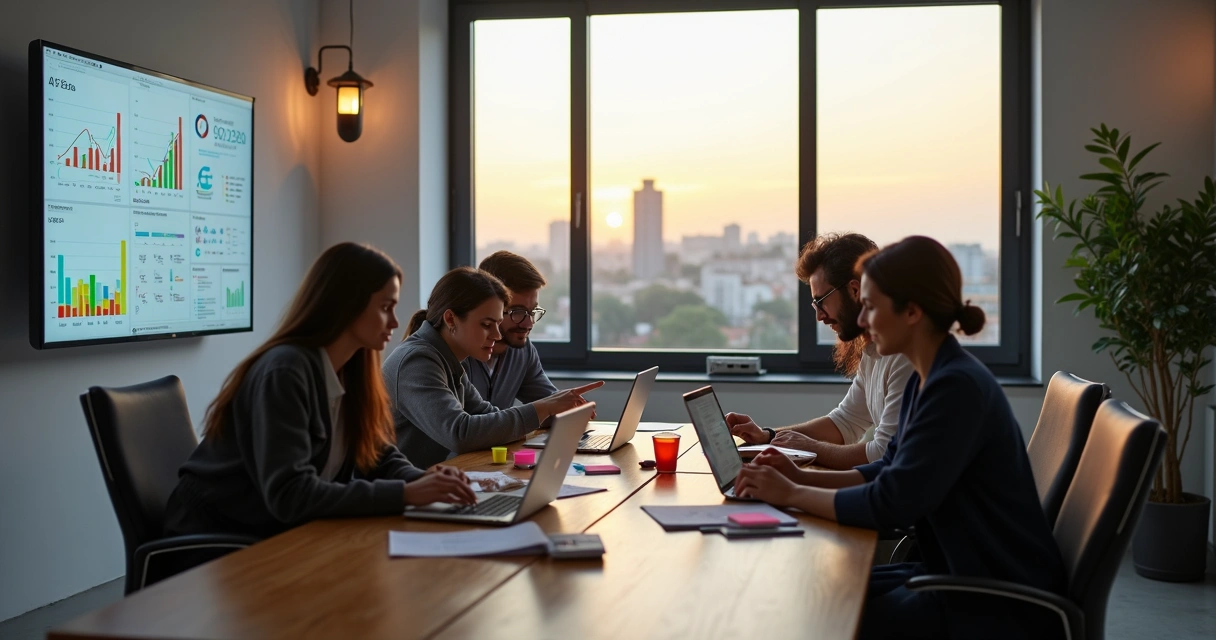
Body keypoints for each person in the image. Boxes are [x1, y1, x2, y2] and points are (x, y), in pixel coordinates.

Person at [734, 236, 1066, 640]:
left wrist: (789, 493)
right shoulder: (930, 377)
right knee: (809, 595)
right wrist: (795, 477)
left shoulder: (953, 388)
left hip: (995, 600)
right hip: (955, 571)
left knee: (816, 613)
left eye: (872, 307)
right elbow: (887, 469)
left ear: (911, 312)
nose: (864, 320)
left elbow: (889, 503)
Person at [164, 243, 477, 542]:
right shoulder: (285, 371)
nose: (396, 321)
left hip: (283, 533)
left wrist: (420, 480)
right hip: (219, 538)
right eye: (385, 307)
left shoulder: (353, 367)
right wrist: (405, 494)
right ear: (345, 305)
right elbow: (291, 495)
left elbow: (377, 455)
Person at [727, 233, 914, 469]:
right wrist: (768, 437)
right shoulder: (873, 351)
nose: (819, 316)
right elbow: (845, 422)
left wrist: (808, 454)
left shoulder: (904, 358)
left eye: (821, 301)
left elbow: (882, 456)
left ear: (855, 291)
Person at [384, 266, 602, 468]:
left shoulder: (448, 359)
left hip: (430, 486)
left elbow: (487, 414)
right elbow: (460, 433)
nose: (497, 335)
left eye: (498, 324)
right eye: (486, 325)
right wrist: (543, 408)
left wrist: (553, 409)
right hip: (390, 498)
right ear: (450, 319)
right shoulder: (417, 360)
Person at [464, 251, 559, 410]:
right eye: (518, 312)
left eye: (533, 311)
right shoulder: (456, 353)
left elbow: (551, 402)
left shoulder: (522, 352)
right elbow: (467, 427)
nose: (528, 324)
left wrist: (573, 408)